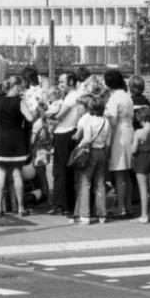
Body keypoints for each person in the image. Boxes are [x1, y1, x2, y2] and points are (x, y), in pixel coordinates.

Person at [0, 78, 32, 216]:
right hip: (16, 139)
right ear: (16, 86)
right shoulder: (20, 102)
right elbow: (30, 118)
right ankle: (20, 207)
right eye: (20, 85)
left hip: (1, 138)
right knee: (16, 173)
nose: (21, 88)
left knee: (1, 173)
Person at [73, 96, 111, 224]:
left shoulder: (89, 121)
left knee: (85, 182)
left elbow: (87, 139)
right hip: (102, 152)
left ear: (90, 108)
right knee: (100, 183)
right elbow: (108, 142)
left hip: (91, 152)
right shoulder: (106, 122)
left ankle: (85, 215)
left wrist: (78, 147)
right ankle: (102, 214)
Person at [104, 69, 134, 218]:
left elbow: (112, 121)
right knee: (127, 173)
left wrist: (108, 141)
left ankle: (120, 207)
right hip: (129, 131)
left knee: (119, 173)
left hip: (119, 135)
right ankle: (127, 205)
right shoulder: (127, 96)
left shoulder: (114, 98)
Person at [49, 72, 80, 216]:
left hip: (65, 134)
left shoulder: (72, 96)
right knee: (62, 171)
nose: (60, 85)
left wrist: (45, 112)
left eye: (62, 81)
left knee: (61, 171)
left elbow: (59, 116)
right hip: (64, 133)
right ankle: (64, 203)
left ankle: (62, 204)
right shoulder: (69, 96)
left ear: (71, 81)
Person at [132, 107, 150, 223]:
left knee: (143, 189)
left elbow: (134, 150)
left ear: (141, 118)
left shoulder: (139, 132)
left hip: (141, 159)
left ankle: (144, 215)